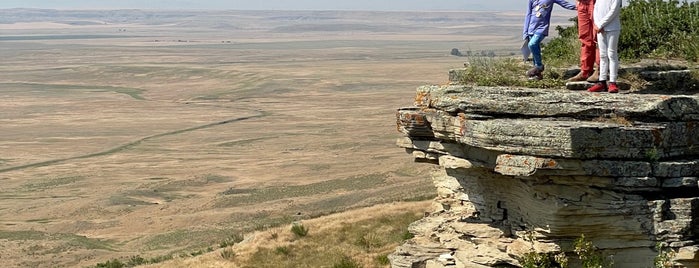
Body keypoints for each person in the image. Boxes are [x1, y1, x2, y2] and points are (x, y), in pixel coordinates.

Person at [523, 0, 577, 80]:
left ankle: (539, 66)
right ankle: (537, 75)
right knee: (535, 49)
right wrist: (525, 32)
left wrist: (580, 7)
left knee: (532, 44)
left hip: (541, 28)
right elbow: (528, 14)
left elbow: (565, 4)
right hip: (531, 28)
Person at [587, 0, 622, 93]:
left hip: (612, 28)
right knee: (603, 55)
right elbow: (596, 9)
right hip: (600, 29)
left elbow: (614, 11)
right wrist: (597, 24)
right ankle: (602, 82)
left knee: (612, 54)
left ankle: (612, 82)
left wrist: (601, 24)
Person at [567, 0, 600, 82]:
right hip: (582, 3)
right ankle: (585, 71)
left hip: (596, 3)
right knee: (585, 37)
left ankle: (599, 70)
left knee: (598, 37)